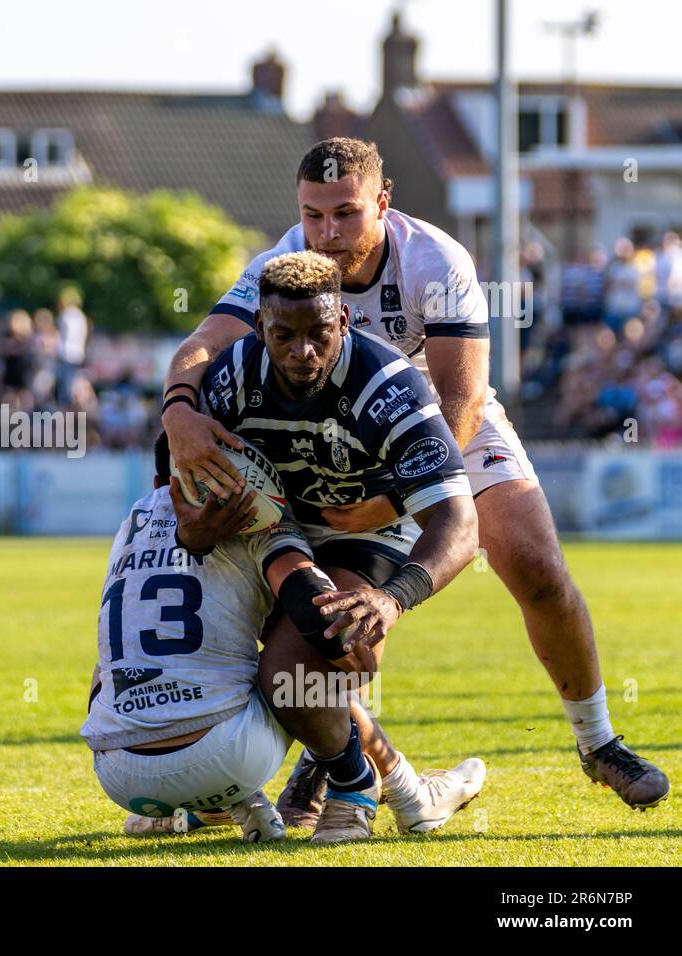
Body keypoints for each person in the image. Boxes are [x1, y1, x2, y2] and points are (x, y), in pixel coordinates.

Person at [161, 138, 669, 816]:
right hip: (335, 438)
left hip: (443, 425)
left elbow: (460, 401)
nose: (327, 234)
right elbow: (204, 343)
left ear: (383, 201)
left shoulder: (435, 259)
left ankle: (599, 741)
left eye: (345, 213)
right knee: (321, 618)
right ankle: (320, 758)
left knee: (537, 564)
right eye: (313, 216)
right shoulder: (285, 262)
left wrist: (391, 502)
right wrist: (178, 413)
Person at [85, 429, 483, 844]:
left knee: (116, 663)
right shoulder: (256, 516)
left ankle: (222, 804)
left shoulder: (133, 520)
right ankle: (366, 788)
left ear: (160, 485)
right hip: (230, 756)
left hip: (120, 777)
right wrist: (351, 646)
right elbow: (315, 614)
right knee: (290, 664)